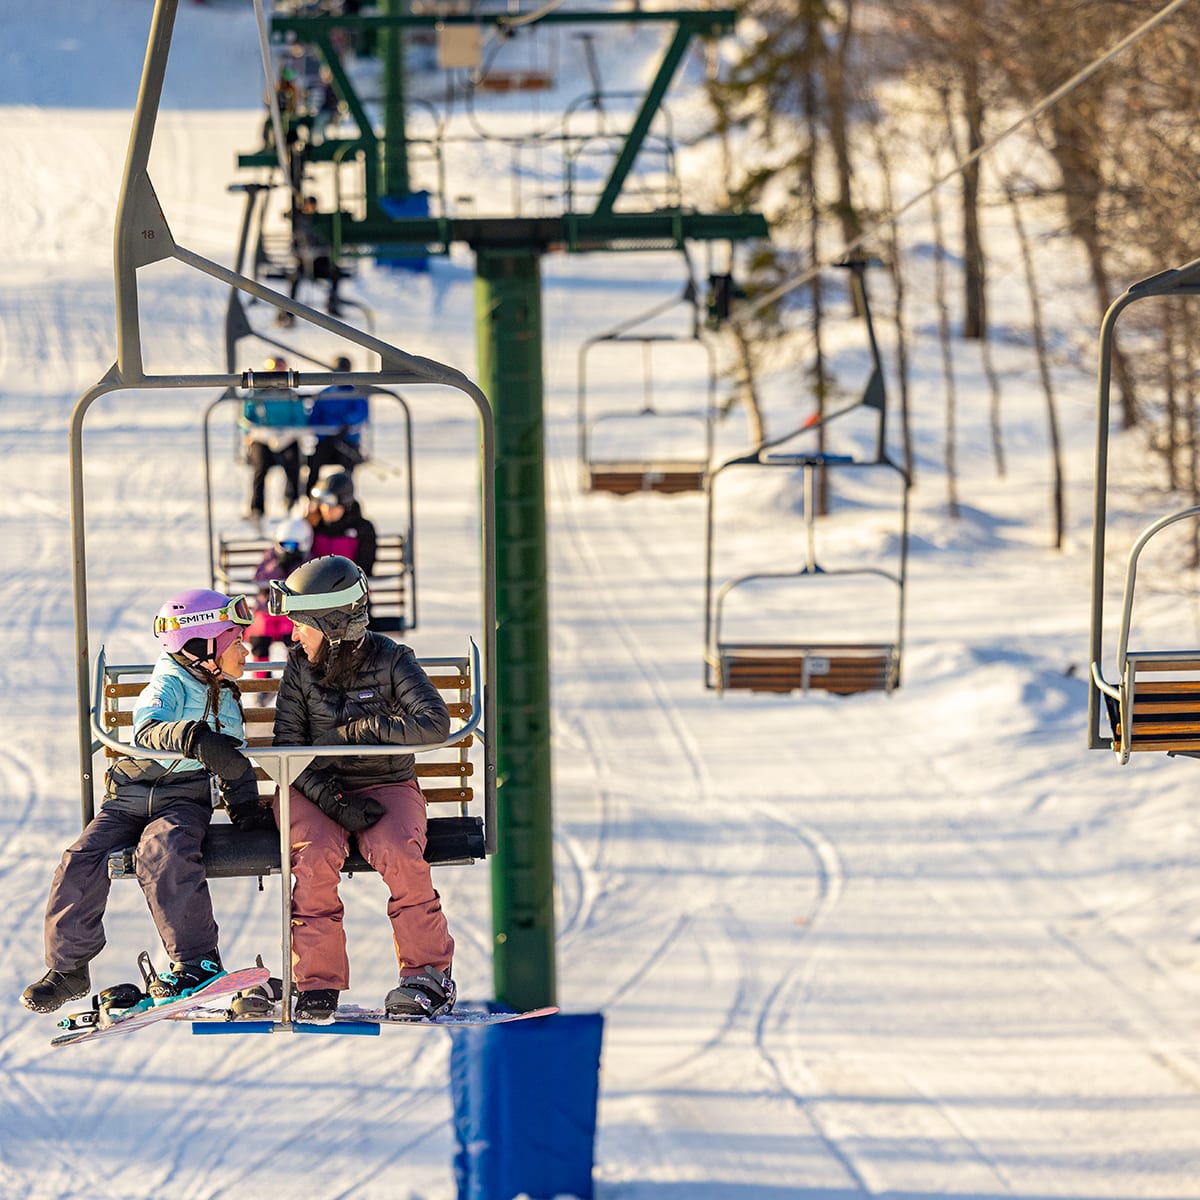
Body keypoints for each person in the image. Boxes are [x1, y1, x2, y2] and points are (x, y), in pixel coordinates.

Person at [21, 590, 275, 1014]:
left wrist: (246, 808)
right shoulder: (169, 681)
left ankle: (198, 962)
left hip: (182, 801)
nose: (246, 649)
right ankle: (68, 969)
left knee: (163, 852)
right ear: (202, 647)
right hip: (127, 798)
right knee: (80, 858)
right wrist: (194, 738)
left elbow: (232, 760)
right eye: (236, 642)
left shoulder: (225, 693)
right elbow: (147, 729)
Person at [267, 555, 455, 1021]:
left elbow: (434, 723)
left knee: (401, 856)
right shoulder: (299, 668)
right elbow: (286, 752)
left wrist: (364, 730)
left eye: (301, 625)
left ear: (332, 624)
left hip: (384, 781)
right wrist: (330, 798)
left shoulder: (392, 660)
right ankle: (316, 980)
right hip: (311, 786)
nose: (293, 635)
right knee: (314, 858)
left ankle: (427, 975)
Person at [241, 356, 307, 528]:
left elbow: (300, 419)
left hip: (287, 437)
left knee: (292, 463)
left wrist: (286, 434)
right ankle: (257, 508)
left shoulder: (291, 396)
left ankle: (292, 501)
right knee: (260, 467)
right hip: (262, 438)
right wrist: (261, 432)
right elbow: (245, 420)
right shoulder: (255, 395)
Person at [245, 516, 314, 672]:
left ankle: (294, 674)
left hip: (292, 612)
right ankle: (261, 677)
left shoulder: (308, 561)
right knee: (259, 634)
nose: (288, 550)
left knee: (292, 635)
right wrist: (278, 567)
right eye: (284, 544)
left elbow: (307, 582)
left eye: (293, 545)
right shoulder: (271, 557)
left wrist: (293, 568)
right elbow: (259, 578)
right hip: (266, 609)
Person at [304, 356, 370, 496]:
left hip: (347, 441)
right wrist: (325, 434)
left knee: (348, 462)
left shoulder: (355, 393)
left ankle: (345, 495)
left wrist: (347, 425)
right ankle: (309, 497)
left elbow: (361, 413)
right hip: (326, 441)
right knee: (314, 462)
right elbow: (314, 419)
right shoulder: (324, 395)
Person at [309, 469, 377, 577]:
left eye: (332, 504)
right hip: (315, 588)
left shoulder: (362, 529)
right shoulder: (312, 526)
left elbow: (365, 569)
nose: (326, 509)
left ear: (345, 504)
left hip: (350, 588)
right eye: (322, 503)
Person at [287, 195, 344, 319]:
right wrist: (301, 253)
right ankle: (289, 312)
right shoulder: (299, 223)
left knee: (335, 274)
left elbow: (329, 243)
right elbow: (293, 245)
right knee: (294, 278)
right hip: (304, 263)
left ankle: (332, 304)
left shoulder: (320, 222)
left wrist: (320, 251)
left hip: (321, 263)